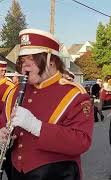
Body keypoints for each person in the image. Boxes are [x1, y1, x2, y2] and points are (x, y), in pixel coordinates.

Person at [0, 28, 94, 180]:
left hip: (57, 173)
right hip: (16, 172)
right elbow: (3, 122)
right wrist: (3, 136)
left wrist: (37, 126)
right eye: (23, 60)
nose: (25, 66)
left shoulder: (75, 94)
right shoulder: (15, 91)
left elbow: (81, 141)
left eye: (33, 59)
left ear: (51, 60)